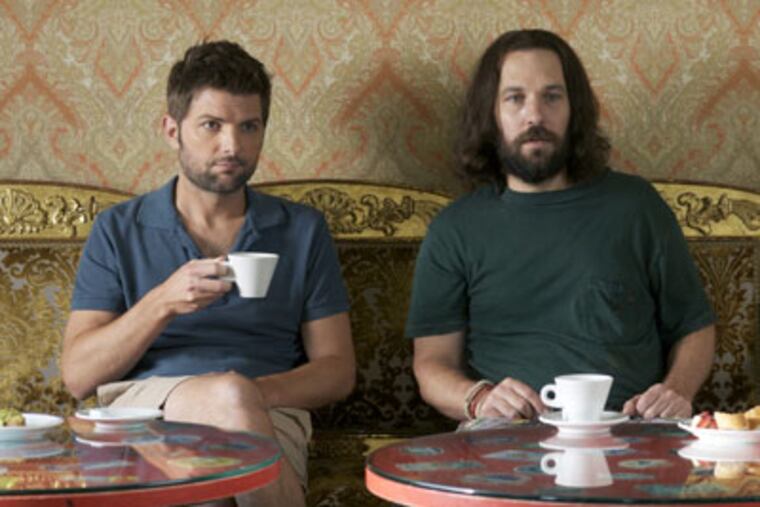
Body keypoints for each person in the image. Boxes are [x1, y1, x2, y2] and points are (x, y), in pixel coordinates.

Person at [61, 40, 355, 507]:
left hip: (268, 409)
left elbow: (337, 370)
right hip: (143, 408)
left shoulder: (301, 229)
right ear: (172, 130)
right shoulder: (119, 229)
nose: (232, 146)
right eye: (212, 125)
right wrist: (162, 302)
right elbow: (78, 376)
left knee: (212, 486)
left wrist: (245, 396)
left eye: (248, 126)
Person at [406, 29, 715, 425]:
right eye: (515, 98)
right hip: (505, 435)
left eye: (552, 97)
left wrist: (677, 391)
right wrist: (479, 399)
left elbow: (695, 327)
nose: (535, 116)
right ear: (491, 114)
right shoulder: (454, 229)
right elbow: (431, 363)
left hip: (630, 429)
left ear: (574, 110)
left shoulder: (637, 206)